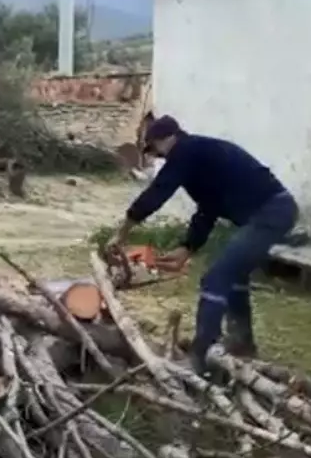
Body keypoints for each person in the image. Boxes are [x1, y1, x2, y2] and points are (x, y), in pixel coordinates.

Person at [106, 116, 298, 376]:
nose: (159, 158)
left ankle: (201, 356)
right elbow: (208, 209)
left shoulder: (187, 151)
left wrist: (123, 231)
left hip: (273, 212)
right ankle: (241, 345)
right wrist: (188, 247)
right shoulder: (198, 158)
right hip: (273, 211)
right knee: (234, 275)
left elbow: (159, 191)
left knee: (214, 278)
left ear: (166, 138)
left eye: (154, 150)